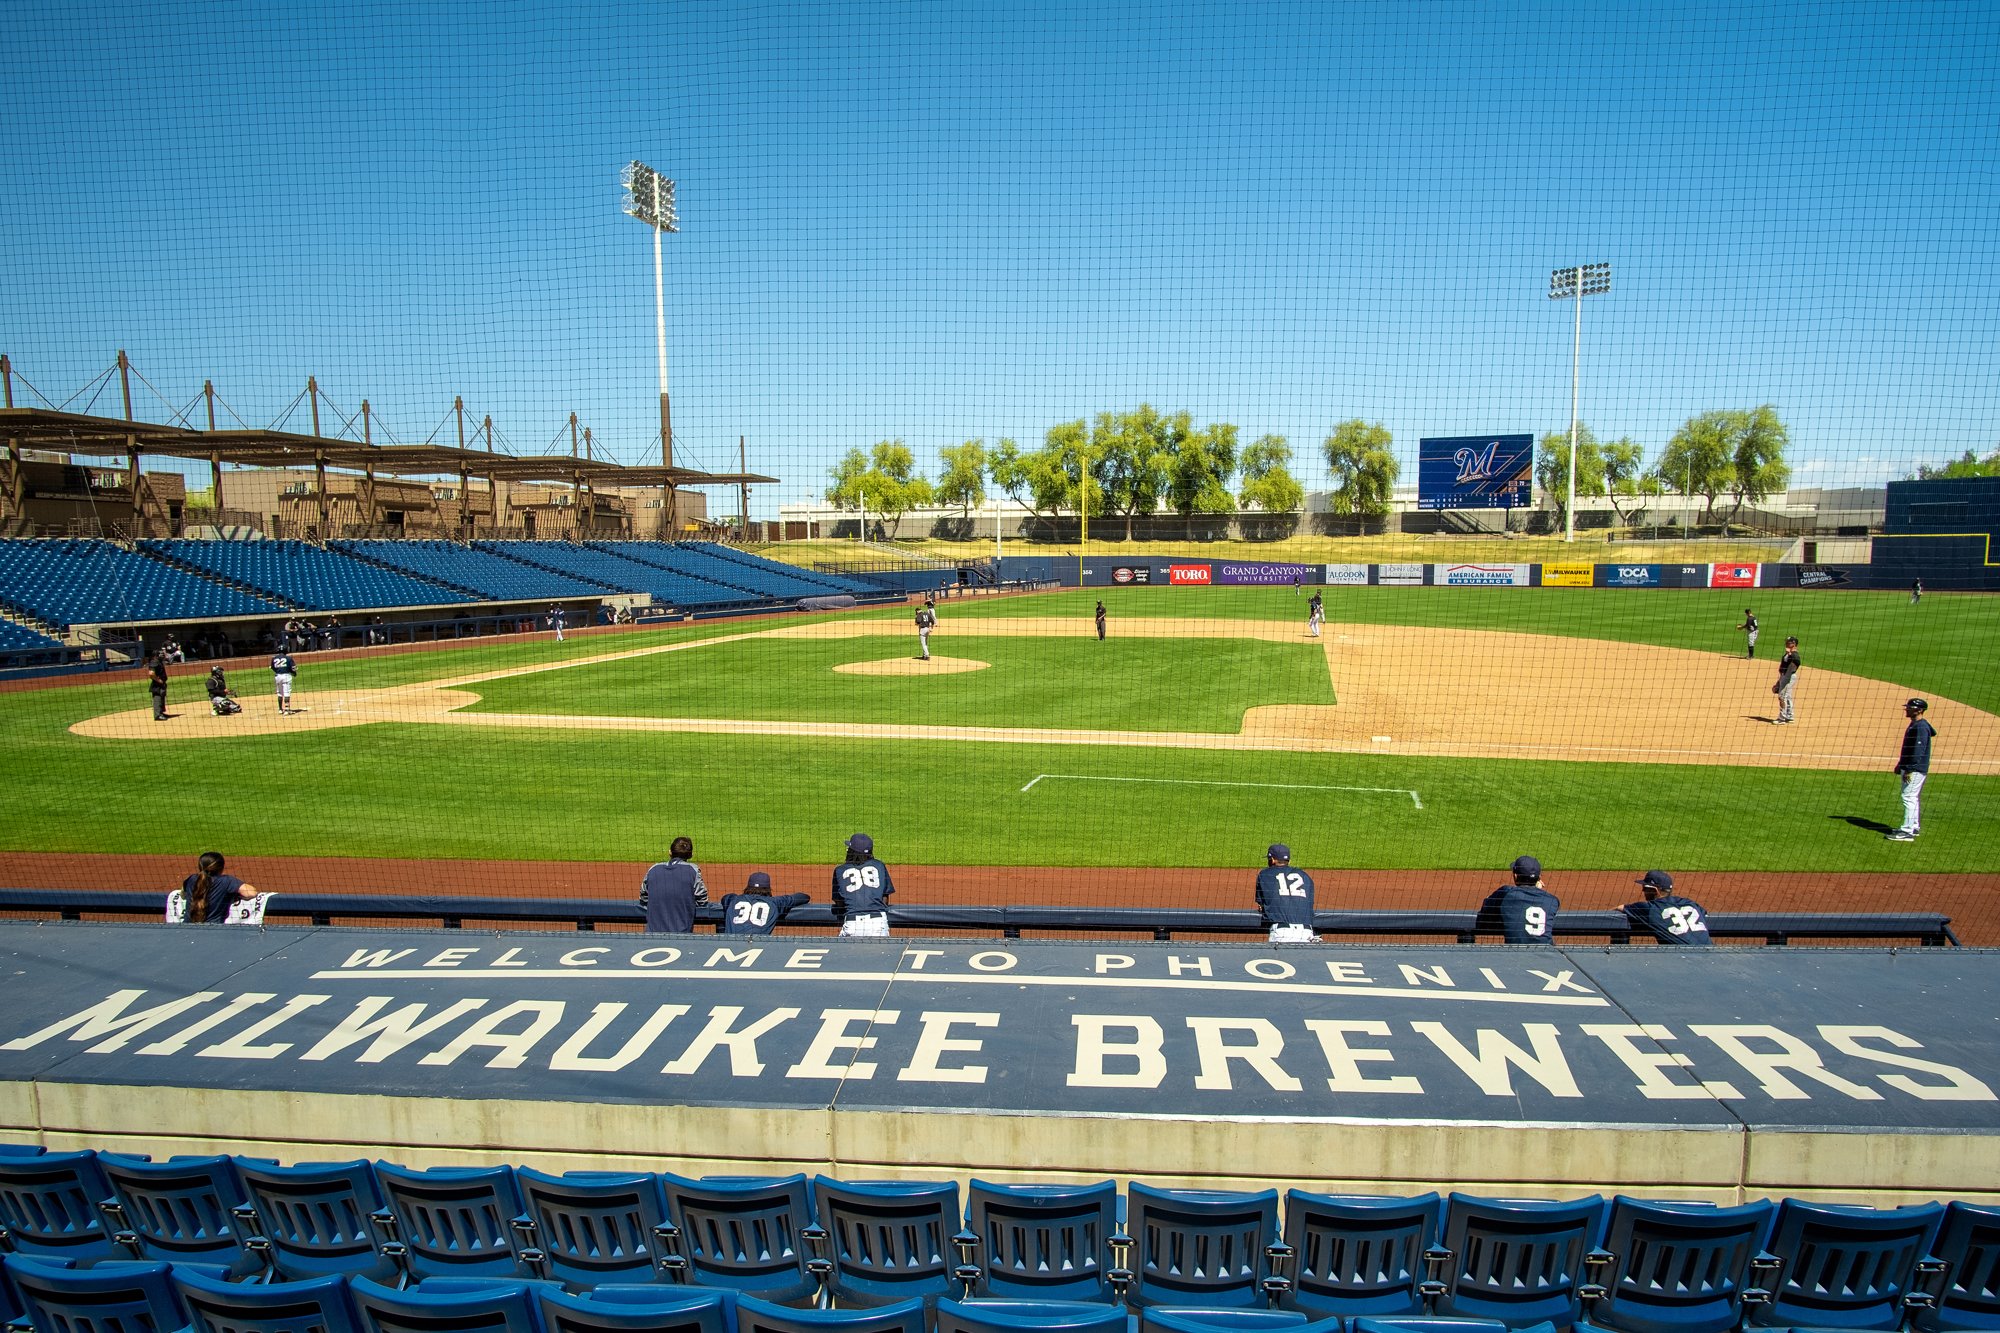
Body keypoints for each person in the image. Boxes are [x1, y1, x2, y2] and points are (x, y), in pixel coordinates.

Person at [1476, 855, 1561, 943]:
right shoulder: (1552, 900)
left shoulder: (1505, 893)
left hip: (1515, 955)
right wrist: (1536, 889)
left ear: (1515, 876)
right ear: (1539, 877)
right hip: (1547, 955)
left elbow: (1483, 915)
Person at [165, 851, 265, 924]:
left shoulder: (191, 879)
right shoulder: (226, 881)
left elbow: (183, 894)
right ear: (221, 868)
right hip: (213, 930)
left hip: (187, 928)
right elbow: (251, 892)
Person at [1888, 698, 1936, 841]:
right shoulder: (1916, 724)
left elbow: (1917, 751)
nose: (1906, 709)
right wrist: (1900, 764)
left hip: (1914, 769)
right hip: (1911, 767)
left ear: (1919, 710)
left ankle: (1907, 831)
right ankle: (1913, 827)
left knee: (1908, 797)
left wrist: (1908, 769)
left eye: (1910, 707)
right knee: (1912, 797)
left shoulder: (1920, 727)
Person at [1622, 869, 1712, 946]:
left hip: (1683, 960)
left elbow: (1618, 908)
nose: (1643, 891)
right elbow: (1704, 913)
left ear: (1655, 890)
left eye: (1645, 888)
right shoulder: (1691, 904)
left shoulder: (1649, 909)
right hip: (1712, 955)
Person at [641, 835, 709, 931]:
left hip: (652, 933)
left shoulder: (653, 868)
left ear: (670, 852)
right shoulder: (693, 870)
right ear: (691, 854)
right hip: (681, 933)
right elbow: (702, 900)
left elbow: (643, 898)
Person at [832, 832, 894, 937]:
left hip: (853, 924)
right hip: (878, 924)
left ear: (851, 851)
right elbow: (885, 899)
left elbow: (839, 903)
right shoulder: (879, 866)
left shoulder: (840, 870)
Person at [1254, 843, 1318, 944]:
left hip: (1281, 933)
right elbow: (1309, 903)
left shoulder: (1265, 874)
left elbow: (1261, 905)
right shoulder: (1305, 876)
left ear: (1272, 860)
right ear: (1289, 860)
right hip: (1307, 933)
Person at [719, 871, 811, 936]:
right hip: (758, 946)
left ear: (748, 887)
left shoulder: (733, 900)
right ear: (768, 889)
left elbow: (725, 898)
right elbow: (803, 897)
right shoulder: (775, 902)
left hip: (730, 944)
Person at [1772, 636, 1800, 724]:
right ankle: (1790, 716)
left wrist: (1790, 654)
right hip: (1785, 676)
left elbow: (1797, 661)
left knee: (1781, 696)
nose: (1787, 643)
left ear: (1794, 644)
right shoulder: (1789, 653)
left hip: (1789, 676)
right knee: (1787, 696)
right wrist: (1779, 682)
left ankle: (1781, 718)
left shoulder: (1794, 653)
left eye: (1789, 642)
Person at [270, 647, 299, 714]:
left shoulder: (274, 658)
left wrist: (278, 671)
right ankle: (287, 709)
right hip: (286, 676)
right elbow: (293, 668)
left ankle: (280, 709)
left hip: (277, 676)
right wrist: (294, 673)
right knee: (286, 692)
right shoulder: (288, 658)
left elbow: (272, 667)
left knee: (279, 693)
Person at [146, 651, 171, 721]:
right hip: (157, 684)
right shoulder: (154, 662)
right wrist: (158, 680)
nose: (162, 656)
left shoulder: (158, 662)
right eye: (160, 655)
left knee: (162, 696)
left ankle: (161, 713)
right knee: (157, 697)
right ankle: (157, 715)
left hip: (161, 683)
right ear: (156, 656)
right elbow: (151, 674)